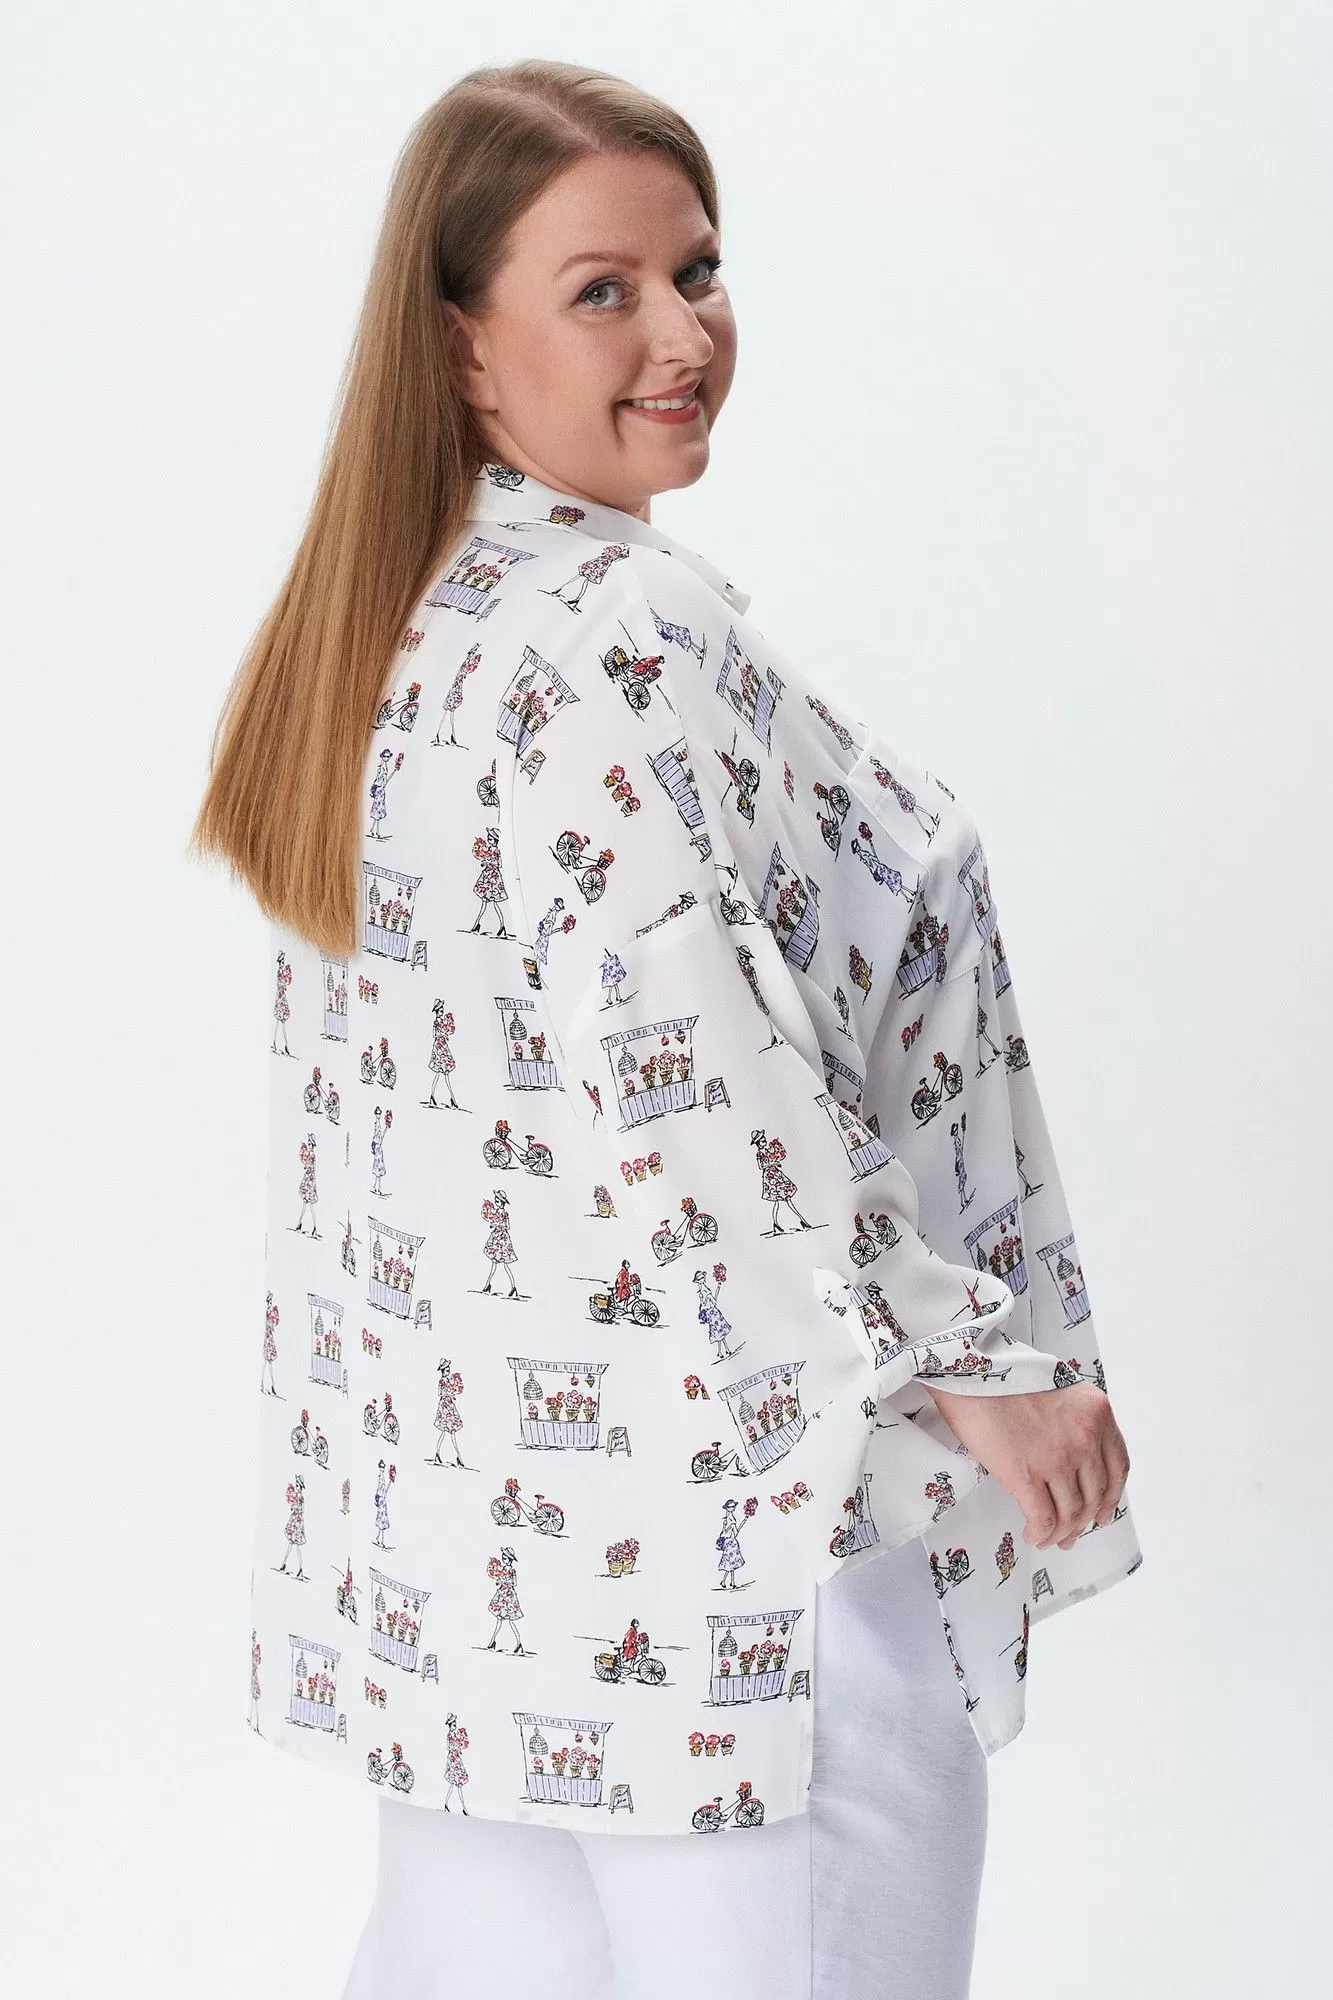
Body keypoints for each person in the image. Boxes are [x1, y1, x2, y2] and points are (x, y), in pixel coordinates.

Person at [191, 56, 1139, 2000]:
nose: (684, 336)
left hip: (492, 1599)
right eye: (602, 291)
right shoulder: (617, 636)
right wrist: (971, 1358)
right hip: (748, 1577)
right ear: (460, 345)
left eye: (699, 271)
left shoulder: (404, 634)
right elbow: (699, 1075)